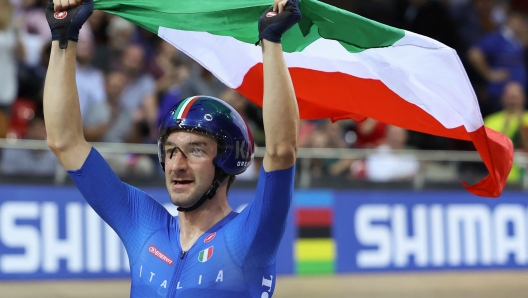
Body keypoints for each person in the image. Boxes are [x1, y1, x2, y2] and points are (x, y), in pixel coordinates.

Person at [44, 0, 300, 297]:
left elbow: (282, 150)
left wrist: (271, 41)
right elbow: (65, 141)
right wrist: (63, 37)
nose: (177, 164)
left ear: (228, 159)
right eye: (170, 151)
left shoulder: (249, 236)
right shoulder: (142, 223)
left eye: (196, 150)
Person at [484, 81, 528, 183]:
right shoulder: (491, 121)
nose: (512, 100)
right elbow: (489, 150)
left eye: (515, 96)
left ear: (523, 98)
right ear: (502, 98)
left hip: (525, 176)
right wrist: (506, 126)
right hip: (498, 176)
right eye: (510, 96)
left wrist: (520, 122)